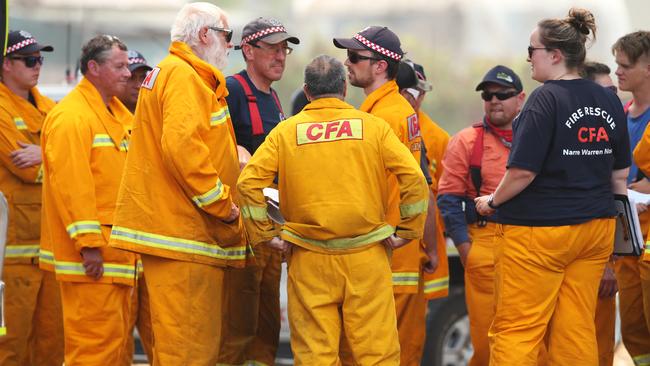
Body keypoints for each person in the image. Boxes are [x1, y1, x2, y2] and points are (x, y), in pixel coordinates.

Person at [237, 54, 429, 366]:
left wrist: (266, 236)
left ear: (307, 91)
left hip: (309, 259)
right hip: (366, 258)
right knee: (376, 354)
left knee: (316, 355)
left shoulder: (286, 133)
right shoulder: (374, 128)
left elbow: (248, 184)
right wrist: (407, 230)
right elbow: (414, 179)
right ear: (343, 89)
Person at [475, 8, 630, 365]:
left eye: (532, 51)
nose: (528, 59)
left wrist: (492, 203)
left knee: (518, 330)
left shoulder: (544, 100)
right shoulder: (608, 99)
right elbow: (619, 176)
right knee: (575, 327)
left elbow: (522, 173)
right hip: (595, 230)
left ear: (555, 55)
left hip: (540, 234)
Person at [108, 3, 246, 365]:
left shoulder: (177, 73)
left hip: (184, 237)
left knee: (184, 347)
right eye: (227, 37)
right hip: (186, 235)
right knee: (190, 350)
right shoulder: (184, 76)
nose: (230, 46)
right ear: (204, 35)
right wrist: (223, 206)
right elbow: (183, 148)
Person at [333, 26, 437, 366]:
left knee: (385, 354)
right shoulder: (388, 110)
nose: (347, 64)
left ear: (380, 66)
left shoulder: (386, 115)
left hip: (389, 257)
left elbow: (412, 183)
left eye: (355, 57)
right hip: (393, 254)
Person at [40, 34, 137, 365]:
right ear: (93, 68)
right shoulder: (72, 117)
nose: (128, 73)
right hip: (93, 262)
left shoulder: (117, 116)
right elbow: (72, 186)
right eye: (120, 66)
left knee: (114, 350)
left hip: (115, 258)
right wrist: (88, 244)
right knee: (93, 352)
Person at [219, 17, 299, 366]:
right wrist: (235, 152)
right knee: (238, 324)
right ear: (248, 50)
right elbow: (214, 148)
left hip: (269, 229)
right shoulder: (231, 90)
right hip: (241, 233)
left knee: (266, 326)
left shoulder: (273, 97)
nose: (281, 56)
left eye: (285, 49)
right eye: (273, 48)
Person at [438, 65, 526, 366]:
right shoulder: (466, 141)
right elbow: (448, 199)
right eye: (488, 95)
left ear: (521, 98)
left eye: (503, 94)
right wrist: (466, 250)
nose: (494, 100)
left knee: (534, 341)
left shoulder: (538, 138)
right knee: (487, 341)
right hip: (484, 244)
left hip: (533, 246)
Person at [0, 29, 63, 366]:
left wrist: (44, 154)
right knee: (11, 340)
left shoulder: (50, 108)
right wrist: (55, 158)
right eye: (29, 60)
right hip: (13, 249)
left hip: (49, 244)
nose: (37, 66)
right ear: (6, 64)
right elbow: (22, 167)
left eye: (40, 59)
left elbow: (72, 159)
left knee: (52, 342)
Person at [395, 59, 450, 364]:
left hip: (416, 253)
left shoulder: (438, 139)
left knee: (410, 340)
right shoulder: (380, 121)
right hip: (395, 250)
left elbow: (439, 195)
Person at [579, 60, 621, 366]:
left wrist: (609, 264)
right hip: (573, 257)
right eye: (606, 92)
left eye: (615, 91)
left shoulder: (609, 135)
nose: (613, 99)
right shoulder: (578, 140)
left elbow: (613, 198)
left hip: (600, 258)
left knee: (600, 344)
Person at [115, 48, 154, 364]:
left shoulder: (152, 121)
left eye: (144, 78)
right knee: (116, 338)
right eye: (133, 76)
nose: (138, 84)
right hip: (118, 253)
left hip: (150, 249)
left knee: (160, 336)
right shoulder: (107, 120)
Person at [615, 30, 650, 366]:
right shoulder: (622, 115)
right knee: (633, 324)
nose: (618, 71)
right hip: (627, 233)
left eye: (625, 64)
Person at [118, 50, 152, 115]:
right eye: (131, 78)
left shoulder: (156, 115)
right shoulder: (104, 113)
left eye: (142, 77)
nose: (138, 86)